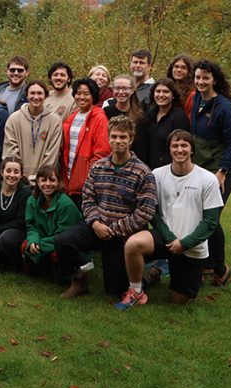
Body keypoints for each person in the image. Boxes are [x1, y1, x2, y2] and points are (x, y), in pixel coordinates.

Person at [116, 130, 223, 309]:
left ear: (192, 150)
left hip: (191, 246)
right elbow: (153, 212)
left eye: (184, 145)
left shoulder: (208, 179)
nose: (179, 150)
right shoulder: (157, 175)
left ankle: (157, 272)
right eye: (175, 145)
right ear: (169, 149)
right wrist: (170, 238)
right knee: (133, 244)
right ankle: (136, 291)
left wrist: (184, 243)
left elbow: (211, 221)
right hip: (165, 238)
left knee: (178, 299)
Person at [54, 116, 156, 298]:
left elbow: (145, 212)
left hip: (123, 234)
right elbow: (88, 198)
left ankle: (148, 277)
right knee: (63, 241)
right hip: (98, 226)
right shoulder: (98, 167)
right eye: (114, 136)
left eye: (123, 137)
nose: (118, 141)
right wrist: (95, 223)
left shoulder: (143, 172)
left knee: (115, 290)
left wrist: (114, 229)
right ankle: (79, 280)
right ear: (108, 138)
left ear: (131, 139)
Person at [190, 59, 231, 287]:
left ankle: (220, 270)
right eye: (198, 77)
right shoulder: (197, 99)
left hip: (219, 170)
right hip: (200, 167)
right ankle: (208, 263)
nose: (201, 81)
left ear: (215, 80)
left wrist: (222, 172)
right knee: (201, 217)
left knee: (211, 219)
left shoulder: (224, 107)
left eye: (206, 78)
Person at [23, 165, 82, 280]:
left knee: (55, 252)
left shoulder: (66, 204)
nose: (48, 184)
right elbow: (31, 226)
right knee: (26, 244)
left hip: (66, 243)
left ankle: (66, 276)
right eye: (43, 180)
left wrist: (40, 243)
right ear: (38, 183)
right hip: (46, 239)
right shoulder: (31, 201)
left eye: (52, 180)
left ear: (58, 182)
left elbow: (64, 235)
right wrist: (33, 241)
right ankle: (38, 273)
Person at [61, 78, 110, 210]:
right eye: (78, 93)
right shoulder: (73, 116)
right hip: (70, 178)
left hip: (85, 183)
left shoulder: (99, 117)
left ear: (93, 95)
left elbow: (102, 152)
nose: (81, 97)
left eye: (86, 93)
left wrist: (86, 177)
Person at [2, 79, 62, 184]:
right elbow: (10, 150)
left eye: (40, 93)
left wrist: (39, 177)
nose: (36, 97)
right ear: (27, 96)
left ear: (46, 96)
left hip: (43, 182)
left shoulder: (55, 121)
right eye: (32, 93)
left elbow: (52, 154)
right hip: (18, 180)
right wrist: (19, 175)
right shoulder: (14, 119)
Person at [144, 78, 190, 170]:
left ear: (173, 95)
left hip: (169, 170)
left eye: (165, 92)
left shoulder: (179, 117)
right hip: (148, 169)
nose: (161, 95)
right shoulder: (149, 114)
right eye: (158, 91)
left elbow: (181, 146)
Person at [102, 74, 150, 161]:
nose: (121, 92)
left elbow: (142, 148)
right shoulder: (105, 112)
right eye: (117, 88)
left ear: (132, 90)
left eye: (125, 88)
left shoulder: (140, 117)